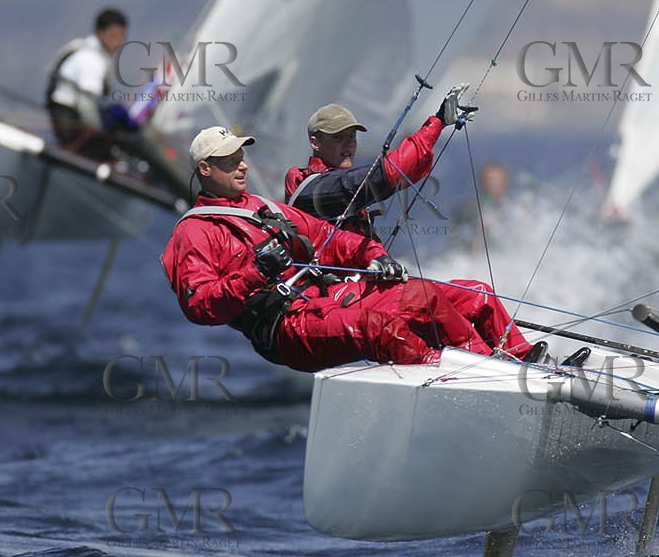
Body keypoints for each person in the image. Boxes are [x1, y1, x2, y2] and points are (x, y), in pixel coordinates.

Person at [163, 126, 542, 373]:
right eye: (230, 162)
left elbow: (330, 239)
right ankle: (459, 372)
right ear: (206, 169)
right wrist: (255, 272)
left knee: (455, 294)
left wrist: (374, 256)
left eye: (241, 158)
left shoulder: (266, 208)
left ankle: (514, 362)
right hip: (285, 329)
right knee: (378, 327)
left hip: (323, 302)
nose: (242, 166)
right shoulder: (194, 232)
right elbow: (200, 307)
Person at [283, 84, 475, 239]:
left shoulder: (337, 180)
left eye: (351, 137)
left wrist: (439, 126)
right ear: (315, 143)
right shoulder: (311, 185)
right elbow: (391, 172)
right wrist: (437, 121)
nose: (348, 144)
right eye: (338, 137)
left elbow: (408, 172)